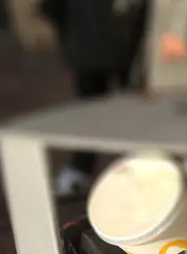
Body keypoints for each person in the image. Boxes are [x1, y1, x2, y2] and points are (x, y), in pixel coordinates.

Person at [40, 0, 148, 197]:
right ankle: (139, 163)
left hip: (88, 37)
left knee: (90, 107)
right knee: (132, 105)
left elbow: (50, 8)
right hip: (123, 36)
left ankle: (82, 168)